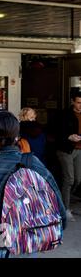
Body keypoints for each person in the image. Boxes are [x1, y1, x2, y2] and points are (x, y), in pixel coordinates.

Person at [0, 111, 66, 258]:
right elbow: (54, 196)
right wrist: (58, 223)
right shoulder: (30, 162)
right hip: (24, 235)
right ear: (16, 136)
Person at [55, 90, 81, 222]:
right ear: (72, 102)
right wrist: (68, 137)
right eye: (78, 103)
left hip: (79, 150)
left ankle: (62, 199)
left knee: (78, 179)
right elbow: (55, 132)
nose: (80, 105)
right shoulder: (64, 114)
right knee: (69, 179)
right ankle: (64, 209)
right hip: (66, 149)